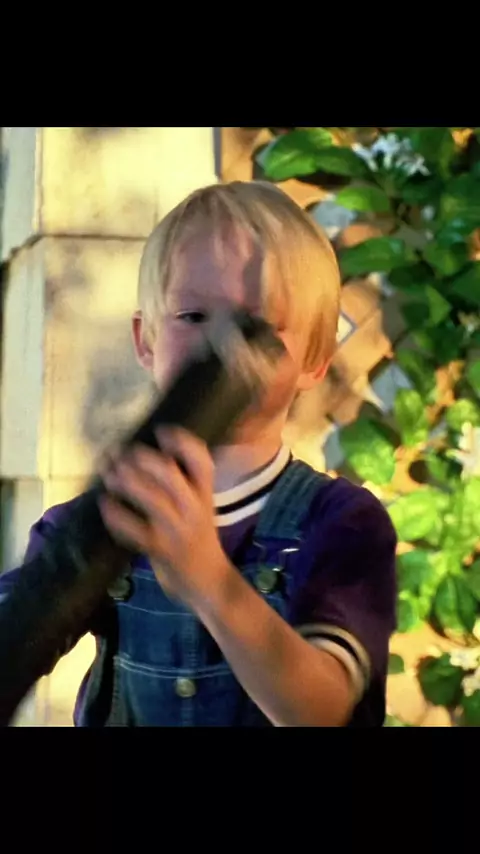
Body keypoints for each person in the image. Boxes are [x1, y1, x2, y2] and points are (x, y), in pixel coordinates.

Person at [0, 181, 397, 727]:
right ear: (146, 340)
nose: (219, 345)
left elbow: (323, 711)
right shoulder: (110, 516)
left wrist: (209, 579)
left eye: (256, 328)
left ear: (314, 358)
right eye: (192, 316)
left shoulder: (341, 523)